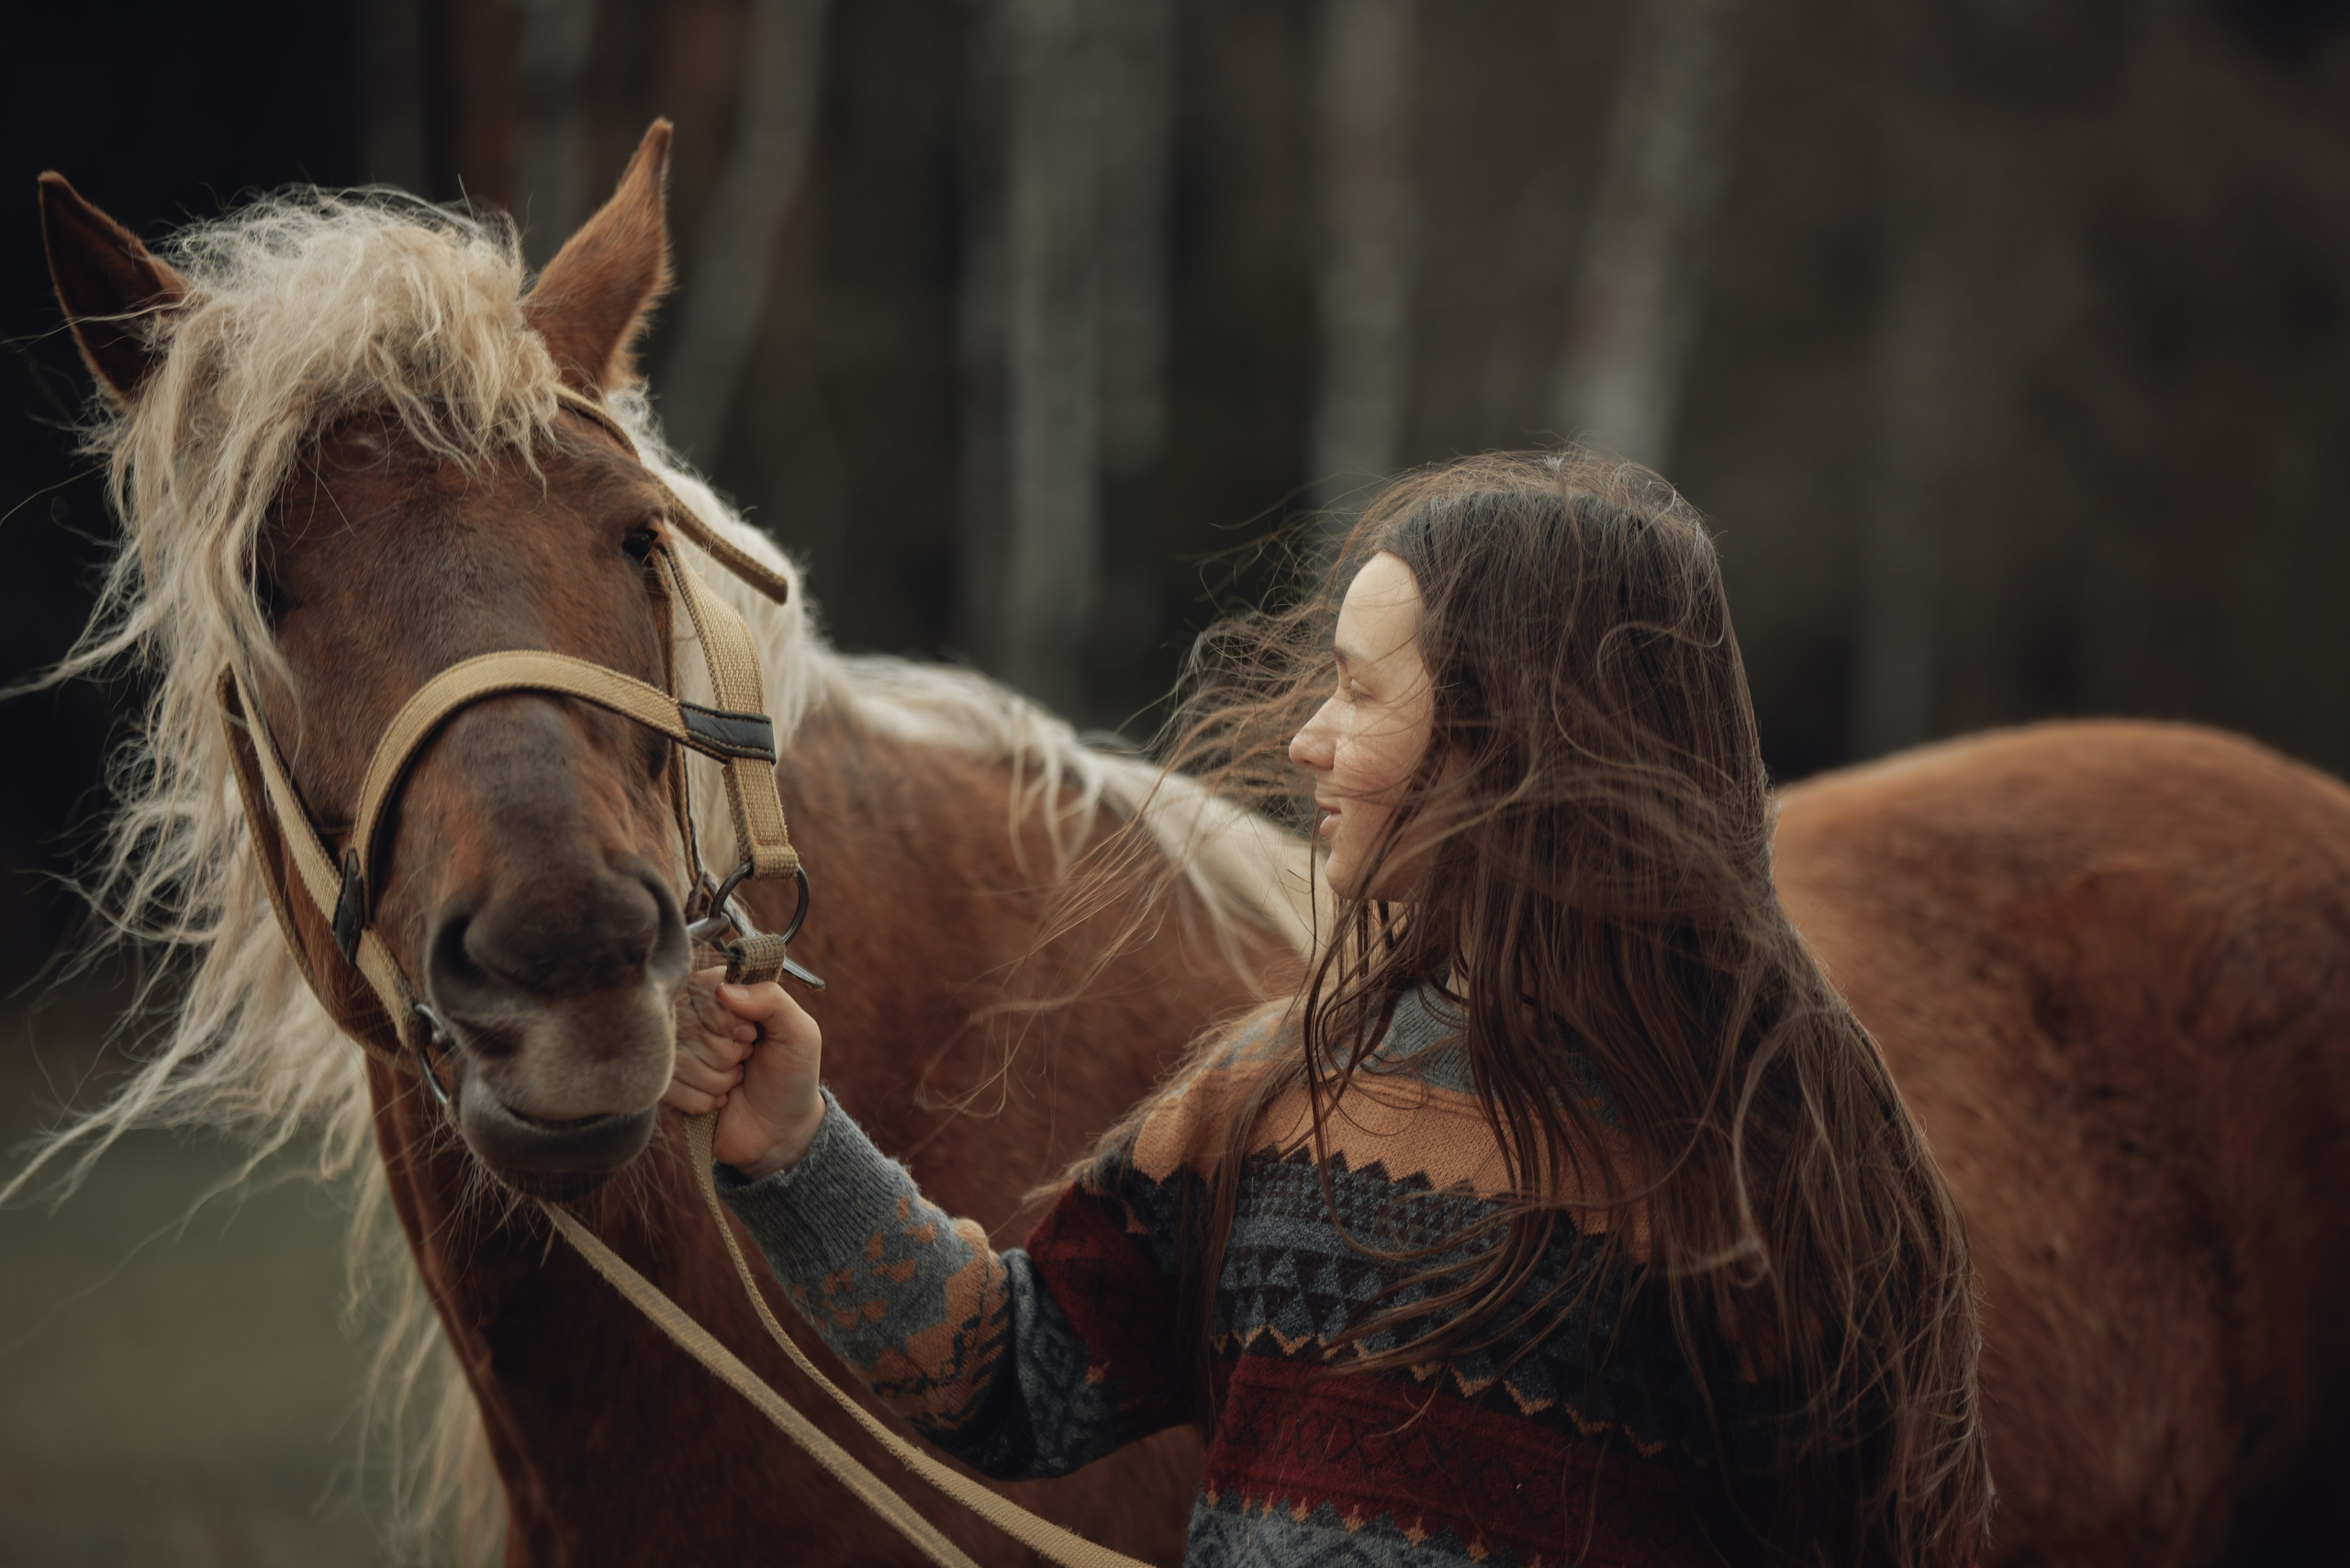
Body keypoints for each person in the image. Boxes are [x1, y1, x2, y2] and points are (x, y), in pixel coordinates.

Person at [667, 452, 1991, 1567]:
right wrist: (796, 1153)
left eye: (1359, 691)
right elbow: (1011, 1373)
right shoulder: (1279, 1085)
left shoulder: (1775, 1153)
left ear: (1505, 736)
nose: (1305, 737)